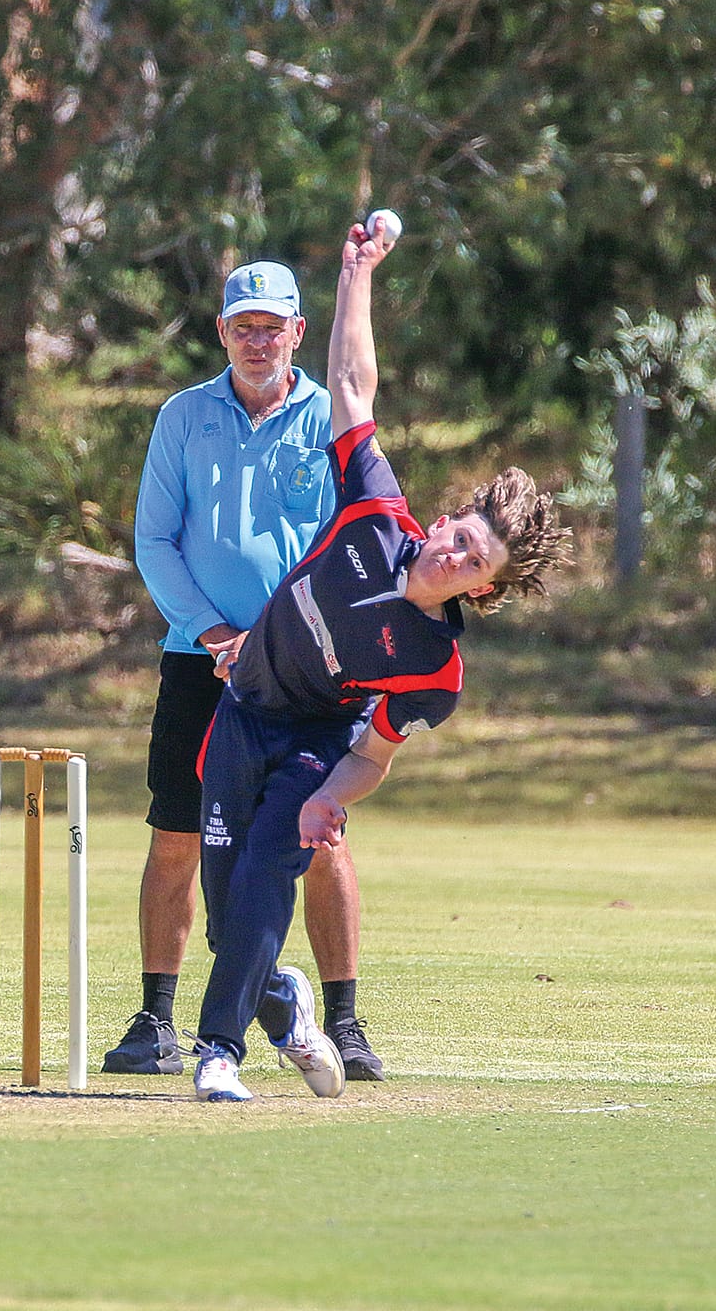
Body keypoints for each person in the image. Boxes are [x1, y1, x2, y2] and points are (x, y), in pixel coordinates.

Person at [188, 216, 570, 1102]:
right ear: (442, 523)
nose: (457, 556)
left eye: (476, 563)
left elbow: (374, 754)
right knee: (225, 907)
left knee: (265, 875)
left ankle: (219, 1053)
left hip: (316, 742)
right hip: (242, 709)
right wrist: (357, 272)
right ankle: (277, 1000)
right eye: (462, 538)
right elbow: (354, 386)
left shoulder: (435, 670)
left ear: (482, 590)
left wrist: (328, 800)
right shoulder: (375, 510)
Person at [106, 257, 385, 1081]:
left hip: (305, 675)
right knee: (177, 835)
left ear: (299, 332)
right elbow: (154, 540)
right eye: (242, 327)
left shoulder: (328, 418)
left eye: (272, 327)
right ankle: (156, 1018)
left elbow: (353, 544)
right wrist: (215, 630)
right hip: (202, 658)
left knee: (323, 836)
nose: (257, 341)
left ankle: (344, 1019)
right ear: (221, 332)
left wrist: (296, 642)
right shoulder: (184, 417)